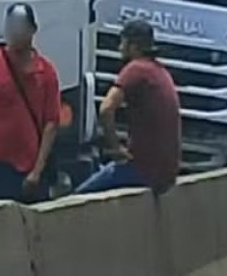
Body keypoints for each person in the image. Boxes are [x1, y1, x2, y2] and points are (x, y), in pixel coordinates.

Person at [75, 19, 181, 195]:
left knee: (77, 198)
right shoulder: (160, 71)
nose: (119, 48)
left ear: (133, 46)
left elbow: (106, 109)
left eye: (122, 43)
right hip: (166, 173)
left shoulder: (136, 69)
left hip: (142, 170)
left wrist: (116, 148)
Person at [0, 3, 60, 202]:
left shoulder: (47, 72)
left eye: (20, 27)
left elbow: (51, 124)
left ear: (33, 30)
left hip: (31, 166)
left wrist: (37, 170)